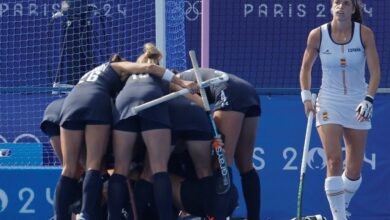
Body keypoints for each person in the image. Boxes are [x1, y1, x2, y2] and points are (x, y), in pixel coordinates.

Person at [56, 48, 196, 220]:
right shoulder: (118, 67)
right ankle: (87, 214)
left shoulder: (96, 74)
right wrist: (183, 83)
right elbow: (150, 69)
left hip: (72, 102)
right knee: (94, 164)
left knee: (69, 168)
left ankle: (62, 216)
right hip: (96, 102)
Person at [299, 0, 381, 219]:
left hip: (357, 102)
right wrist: (306, 96)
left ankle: (340, 206)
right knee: (334, 161)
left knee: (354, 171)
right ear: (331, 7)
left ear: (353, 9)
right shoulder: (317, 35)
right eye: (336, 2)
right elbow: (306, 67)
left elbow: (375, 72)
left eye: (345, 3)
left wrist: (368, 99)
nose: (340, 7)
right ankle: (339, 217)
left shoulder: (365, 34)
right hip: (329, 101)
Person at [108, 43, 197, 220]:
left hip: (124, 104)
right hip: (152, 103)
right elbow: (188, 96)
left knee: (120, 170)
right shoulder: (163, 78)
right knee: (158, 169)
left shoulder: (127, 75)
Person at [180, 68, 261, 220]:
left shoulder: (173, 81)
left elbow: (201, 105)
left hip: (228, 92)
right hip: (249, 91)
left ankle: (218, 216)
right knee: (246, 166)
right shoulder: (189, 76)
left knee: (222, 163)